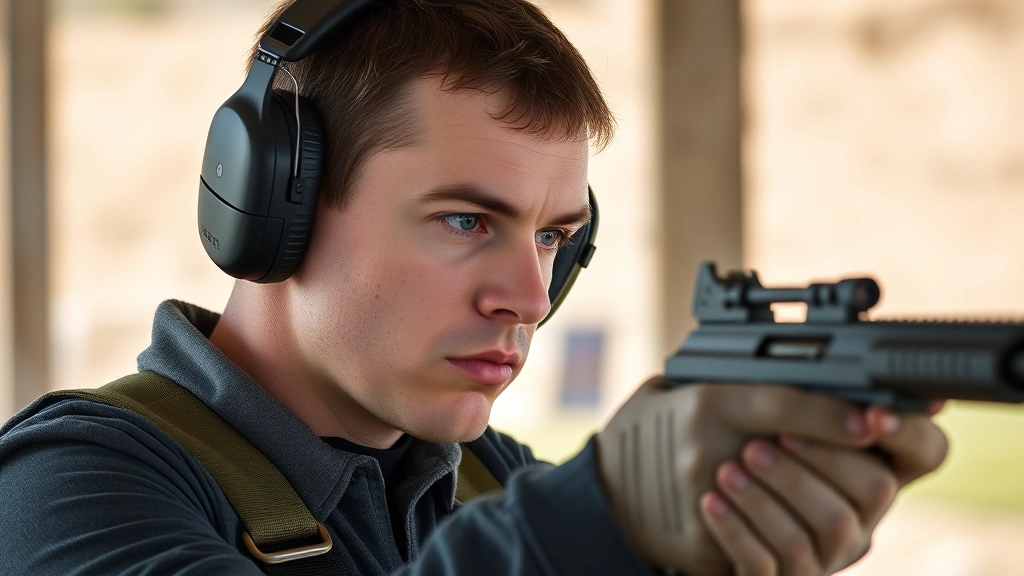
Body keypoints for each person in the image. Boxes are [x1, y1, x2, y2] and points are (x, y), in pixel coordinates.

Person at [0, 0, 948, 574]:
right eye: (466, 221)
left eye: (554, 237)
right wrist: (604, 520)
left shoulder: (499, 483)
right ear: (277, 206)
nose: (530, 297)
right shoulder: (63, 488)